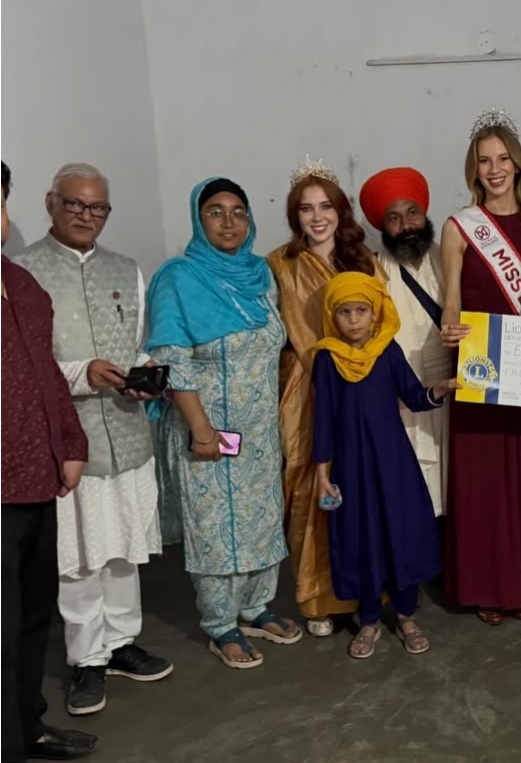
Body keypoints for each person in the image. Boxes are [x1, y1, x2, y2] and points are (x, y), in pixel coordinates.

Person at [13, 163, 172, 718]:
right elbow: (22, 368)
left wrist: (146, 373)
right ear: (50, 202)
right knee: (76, 558)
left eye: (98, 207)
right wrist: (83, 374)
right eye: (75, 204)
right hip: (69, 444)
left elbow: (141, 340)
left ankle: (123, 640)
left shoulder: (126, 270)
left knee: (125, 548)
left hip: (128, 431)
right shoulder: (22, 271)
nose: (87, 215)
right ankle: (87, 659)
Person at [146, 177, 301, 669]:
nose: (229, 221)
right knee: (216, 527)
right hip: (206, 427)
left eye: (239, 211)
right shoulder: (179, 277)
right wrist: (201, 429)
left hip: (257, 428)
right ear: (198, 218)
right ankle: (220, 625)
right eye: (216, 211)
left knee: (259, 519)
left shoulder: (260, 275)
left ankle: (254, 608)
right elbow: (173, 360)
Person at [439, 108, 521, 623]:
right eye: (484, 161)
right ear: (474, 170)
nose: (494, 169)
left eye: (502, 158)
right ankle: (487, 586)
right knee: (484, 473)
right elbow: (450, 299)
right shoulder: (458, 227)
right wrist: (448, 325)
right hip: (479, 359)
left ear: (517, 164)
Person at [1, 160, 98, 761]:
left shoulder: (23, 287)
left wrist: (71, 443)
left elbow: (47, 379)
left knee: (33, 617)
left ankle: (23, 726)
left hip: (36, 479)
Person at [312, 272, 455, 658]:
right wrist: (323, 474)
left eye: (362, 310)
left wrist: (439, 389)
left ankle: (407, 616)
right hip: (350, 468)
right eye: (345, 312)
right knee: (362, 537)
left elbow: (414, 396)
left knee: (400, 532)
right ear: (333, 316)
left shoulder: (387, 351)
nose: (354, 319)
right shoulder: (326, 359)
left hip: (392, 464)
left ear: (375, 313)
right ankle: (370, 619)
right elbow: (323, 418)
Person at [268, 157, 381, 637]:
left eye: (326, 206)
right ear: (295, 216)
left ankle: (358, 593)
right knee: (307, 488)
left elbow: (382, 326)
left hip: (358, 387)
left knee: (356, 488)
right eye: (306, 209)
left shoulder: (364, 262)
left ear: (341, 210)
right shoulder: (279, 264)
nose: (317, 217)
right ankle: (315, 599)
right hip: (304, 389)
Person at [359, 167, 453, 522]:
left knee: (455, 478)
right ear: (383, 227)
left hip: (454, 389)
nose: (406, 225)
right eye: (394, 218)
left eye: (412, 213)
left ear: (424, 214)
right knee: (412, 485)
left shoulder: (451, 259)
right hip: (403, 397)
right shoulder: (373, 272)